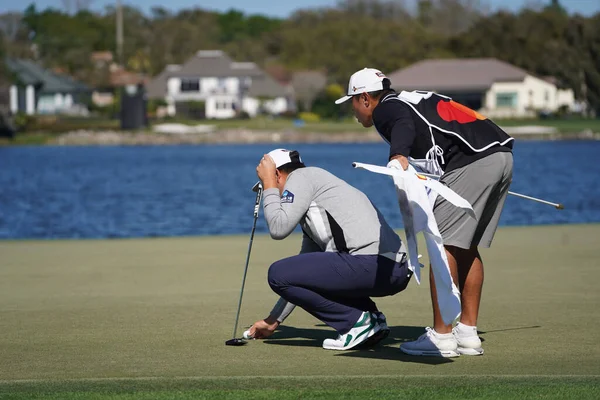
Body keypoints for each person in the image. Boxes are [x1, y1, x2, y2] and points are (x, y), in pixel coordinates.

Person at [335, 68, 514, 357]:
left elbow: (403, 124)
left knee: (442, 247)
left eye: (353, 103)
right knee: (465, 247)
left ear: (366, 99)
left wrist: (398, 154)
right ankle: (467, 333)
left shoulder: (387, 109)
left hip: (473, 162)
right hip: (500, 157)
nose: (353, 111)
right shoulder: (405, 99)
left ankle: (441, 336)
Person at [246, 148, 413, 350]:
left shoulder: (300, 177)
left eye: (267, 184)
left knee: (276, 273)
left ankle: (355, 323)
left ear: (278, 175)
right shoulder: (314, 199)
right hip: (391, 269)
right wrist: (274, 320)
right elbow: (301, 277)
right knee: (292, 273)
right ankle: (371, 319)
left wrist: (269, 184)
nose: (269, 191)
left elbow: (278, 228)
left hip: (375, 265)